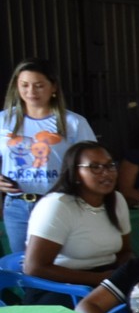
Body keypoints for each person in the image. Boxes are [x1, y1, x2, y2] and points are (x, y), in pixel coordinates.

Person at [1, 59, 97, 256]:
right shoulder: (4, 120)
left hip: (59, 203)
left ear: (53, 87)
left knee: (60, 262)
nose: (31, 92)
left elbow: (93, 163)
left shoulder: (73, 123)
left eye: (39, 85)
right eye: (24, 85)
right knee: (23, 266)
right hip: (17, 205)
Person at [22, 141, 132, 293]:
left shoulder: (117, 200)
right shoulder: (57, 205)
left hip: (106, 279)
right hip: (60, 286)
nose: (106, 173)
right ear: (75, 173)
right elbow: (34, 267)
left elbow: (125, 251)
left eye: (110, 165)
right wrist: (99, 279)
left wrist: (124, 272)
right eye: (95, 167)